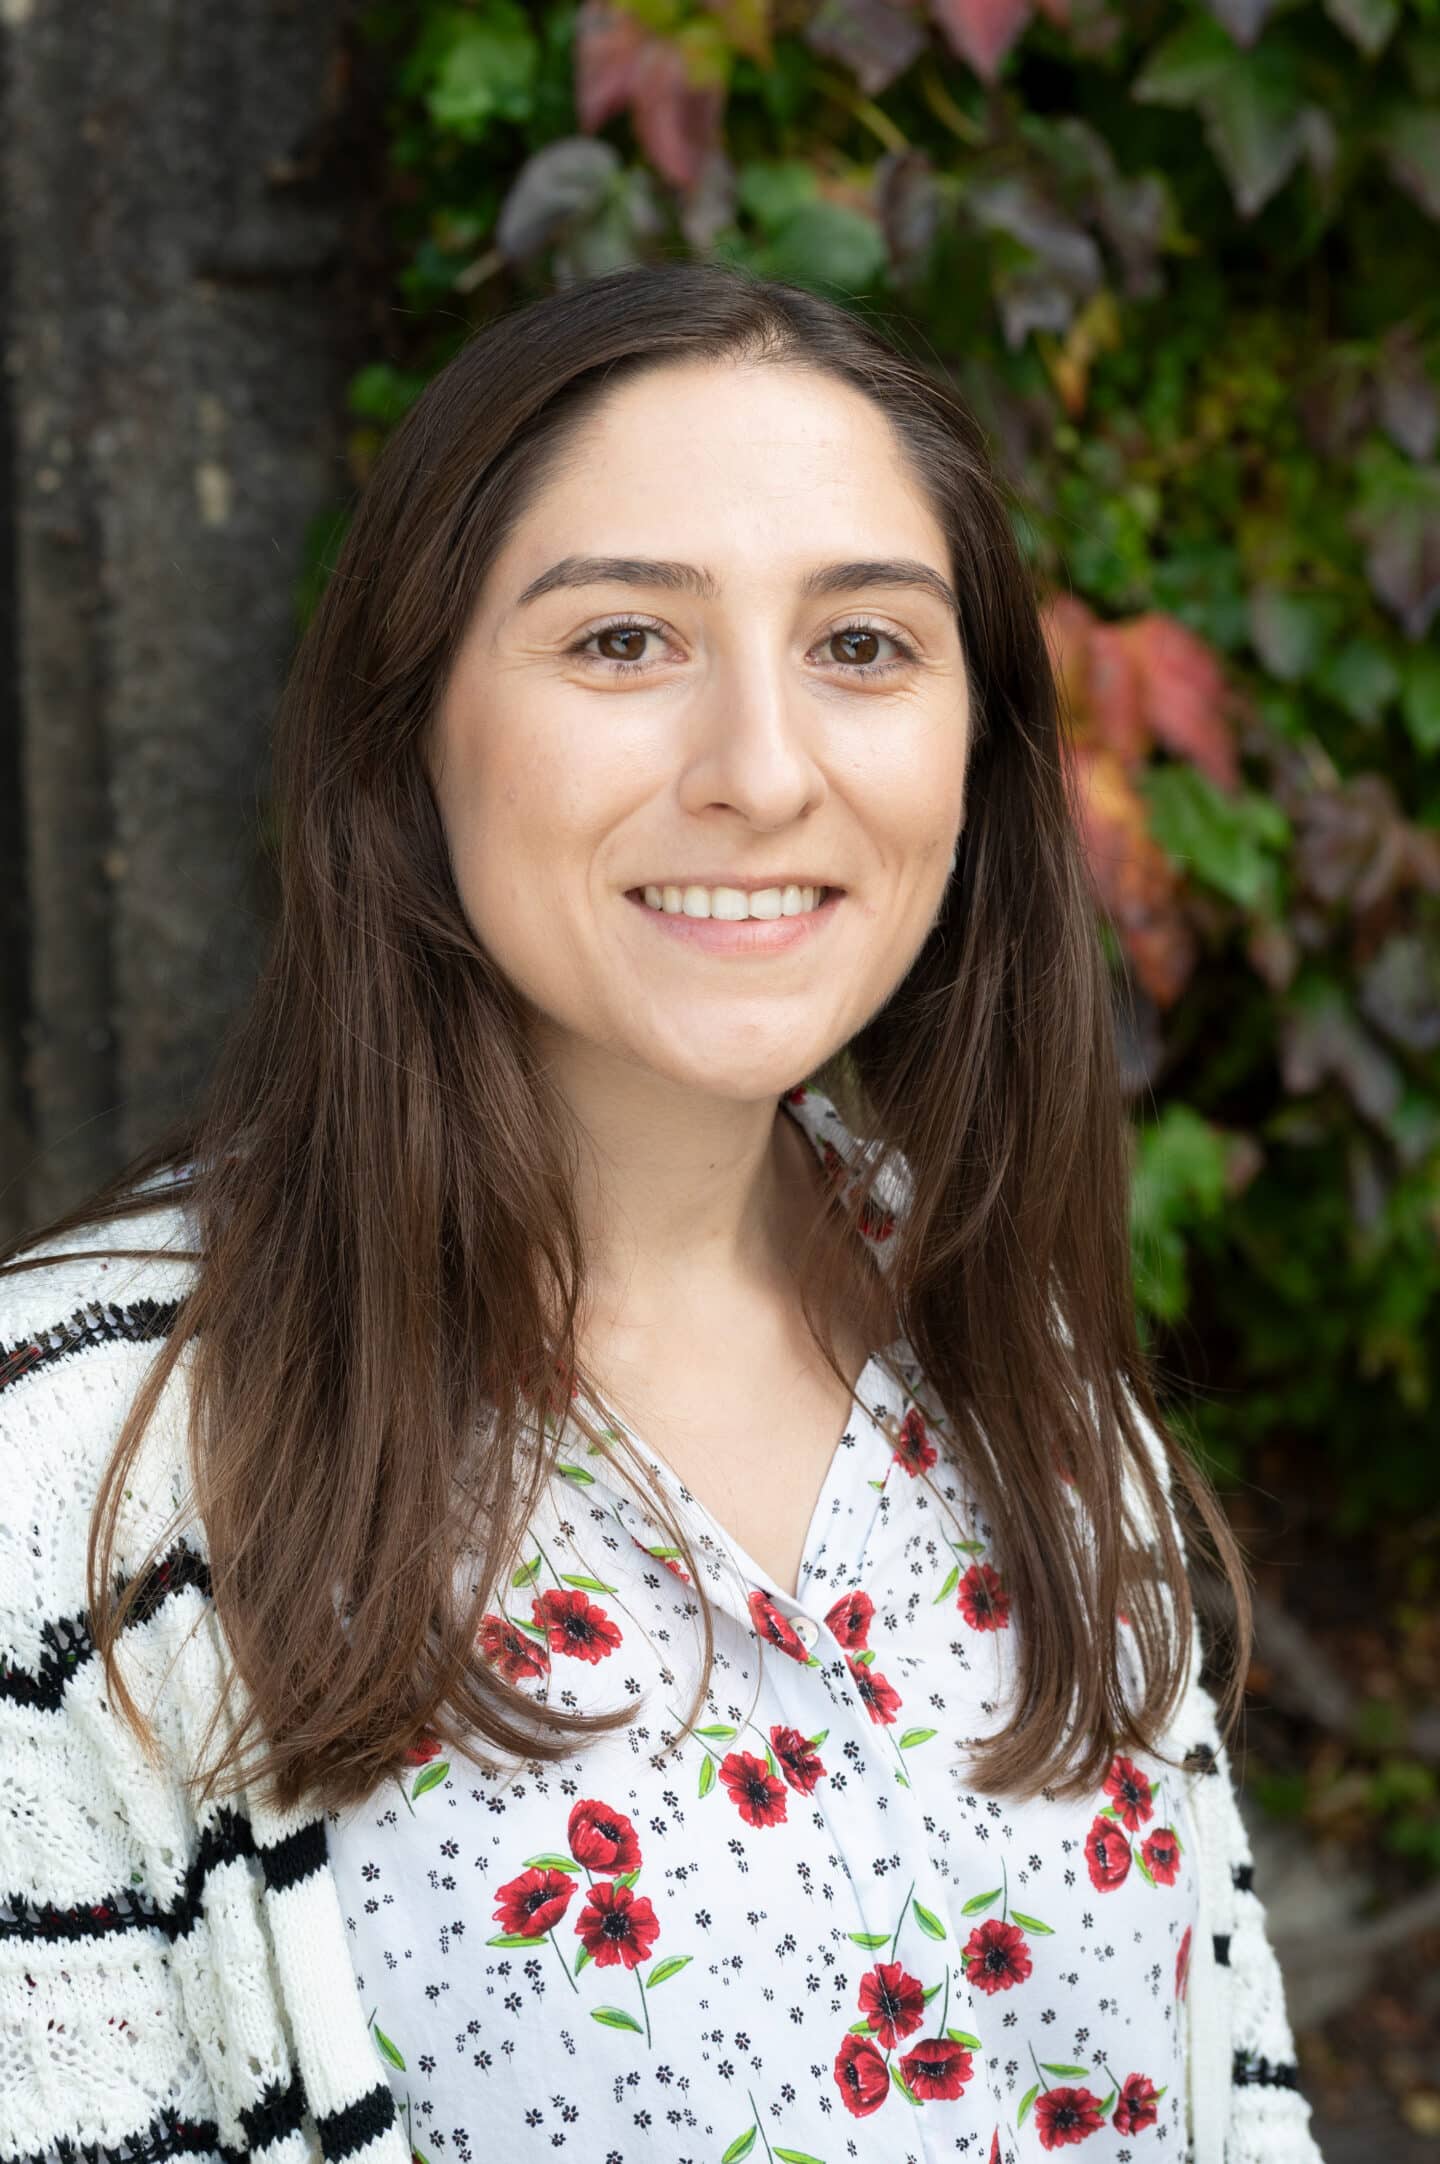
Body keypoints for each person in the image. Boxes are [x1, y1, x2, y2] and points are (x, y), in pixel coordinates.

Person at [0, 260, 1322, 2164]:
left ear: (978, 746)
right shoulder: (76, 1473)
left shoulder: (997, 1338)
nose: (762, 775)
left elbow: (1233, 2093)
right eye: (624, 641)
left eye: (862, 645)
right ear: (410, 724)